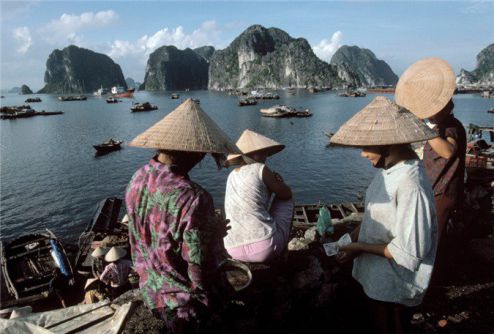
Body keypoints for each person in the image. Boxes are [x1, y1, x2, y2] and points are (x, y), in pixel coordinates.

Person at [125, 98, 240, 333]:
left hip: (150, 291)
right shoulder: (194, 197)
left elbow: (154, 234)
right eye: (203, 152)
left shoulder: (136, 179)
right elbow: (196, 268)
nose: (203, 158)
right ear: (195, 152)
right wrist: (205, 300)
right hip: (182, 304)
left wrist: (209, 230)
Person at [330, 96, 439, 334]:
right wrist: (352, 238)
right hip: (377, 280)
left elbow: (409, 253)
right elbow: (373, 216)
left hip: (395, 287)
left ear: (388, 145)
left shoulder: (412, 185)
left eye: (366, 146)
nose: (362, 154)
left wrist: (359, 247)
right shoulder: (387, 172)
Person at [396, 57, 466, 240]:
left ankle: (437, 268)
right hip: (432, 189)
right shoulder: (437, 128)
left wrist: (425, 129)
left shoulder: (452, 126)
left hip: (444, 192)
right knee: (427, 237)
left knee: (434, 240)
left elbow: (448, 151)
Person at [223, 129, 293, 263]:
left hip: (232, 249)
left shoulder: (231, 176)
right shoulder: (260, 168)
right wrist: (280, 183)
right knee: (288, 199)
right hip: (264, 248)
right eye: (263, 152)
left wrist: (270, 188)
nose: (266, 156)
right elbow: (286, 194)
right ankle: (283, 253)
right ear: (253, 154)